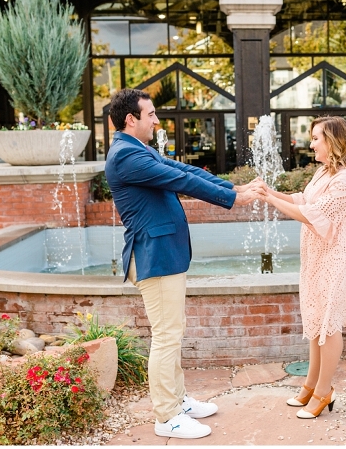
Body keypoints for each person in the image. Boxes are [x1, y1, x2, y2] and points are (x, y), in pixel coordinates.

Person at [105, 88, 264, 439]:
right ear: (131, 119)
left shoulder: (138, 148)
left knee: (172, 333)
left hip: (163, 254)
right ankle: (167, 416)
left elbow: (183, 169)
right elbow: (182, 181)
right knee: (166, 337)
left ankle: (178, 400)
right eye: (151, 114)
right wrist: (233, 199)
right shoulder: (126, 155)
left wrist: (232, 187)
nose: (156, 120)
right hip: (154, 256)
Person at [262, 116, 346, 419]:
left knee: (328, 325)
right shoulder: (325, 172)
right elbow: (303, 200)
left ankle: (323, 392)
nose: (311, 144)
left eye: (316, 138)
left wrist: (270, 200)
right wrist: (271, 192)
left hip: (339, 256)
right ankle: (310, 385)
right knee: (316, 320)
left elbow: (312, 215)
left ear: (333, 141)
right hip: (319, 255)